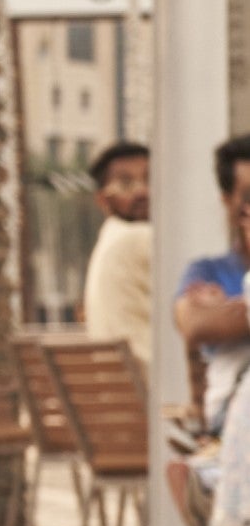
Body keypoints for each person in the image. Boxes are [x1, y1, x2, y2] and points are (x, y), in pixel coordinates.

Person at [177, 136, 250, 431]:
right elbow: (194, 324)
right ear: (228, 202)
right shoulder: (208, 271)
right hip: (235, 414)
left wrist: (234, 312)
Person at [80, 138, 150, 364]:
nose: (142, 191)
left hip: (119, 386)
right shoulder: (139, 238)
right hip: (153, 386)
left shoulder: (109, 238)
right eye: (126, 183)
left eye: (149, 179)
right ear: (102, 199)